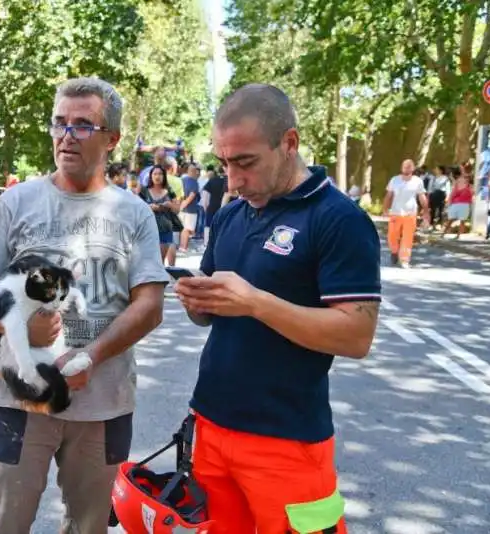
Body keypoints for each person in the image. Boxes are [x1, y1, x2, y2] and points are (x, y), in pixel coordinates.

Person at [0, 77, 168, 534]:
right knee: (5, 526)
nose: (66, 135)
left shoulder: (134, 214)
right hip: (19, 401)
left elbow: (149, 306)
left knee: (89, 528)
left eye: (83, 125)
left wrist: (91, 356)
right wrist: (15, 330)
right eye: (59, 123)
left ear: (111, 138)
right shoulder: (16, 203)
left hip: (103, 405)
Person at [174, 84, 381, 534]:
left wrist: (255, 303)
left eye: (245, 162)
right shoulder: (231, 213)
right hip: (210, 425)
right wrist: (198, 303)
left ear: (289, 142)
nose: (232, 179)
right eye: (224, 163)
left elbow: (356, 336)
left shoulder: (338, 219)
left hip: (286, 442)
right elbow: (212, 314)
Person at [383, 159, 429, 268]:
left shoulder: (417, 181)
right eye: (404, 166)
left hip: (411, 213)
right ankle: (394, 251)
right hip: (395, 212)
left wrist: (426, 211)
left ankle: (404, 259)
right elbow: (388, 195)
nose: (406, 168)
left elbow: (422, 197)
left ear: (413, 168)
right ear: (401, 168)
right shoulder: (394, 180)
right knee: (392, 235)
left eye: (409, 166)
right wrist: (385, 209)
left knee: (408, 237)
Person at [178, 163, 200, 252]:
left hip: (181, 208)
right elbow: (192, 195)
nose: (197, 173)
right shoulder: (194, 182)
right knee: (187, 229)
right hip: (190, 210)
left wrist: (180, 206)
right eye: (195, 171)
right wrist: (184, 205)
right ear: (192, 171)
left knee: (183, 228)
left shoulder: (181, 180)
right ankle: (183, 247)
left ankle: (181, 246)